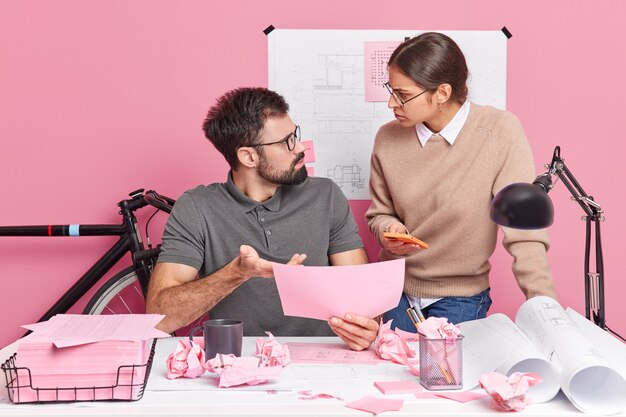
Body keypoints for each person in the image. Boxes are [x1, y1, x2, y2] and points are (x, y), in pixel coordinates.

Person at [146, 87, 379, 351]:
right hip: (240, 362)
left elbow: (363, 296)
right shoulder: (197, 207)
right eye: (287, 142)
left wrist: (367, 327)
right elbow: (159, 318)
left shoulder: (325, 196)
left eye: (296, 135)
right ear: (248, 156)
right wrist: (237, 274)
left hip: (324, 356)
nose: (300, 148)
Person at [365, 32, 557, 331]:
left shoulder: (499, 131)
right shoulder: (387, 138)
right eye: (392, 90)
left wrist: (548, 312)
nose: (392, 102)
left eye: (403, 94)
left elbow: (523, 231)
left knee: (446, 376)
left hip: (461, 296)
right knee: (389, 373)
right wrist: (387, 229)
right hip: (394, 290)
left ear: (442, 92)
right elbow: (379, 213)